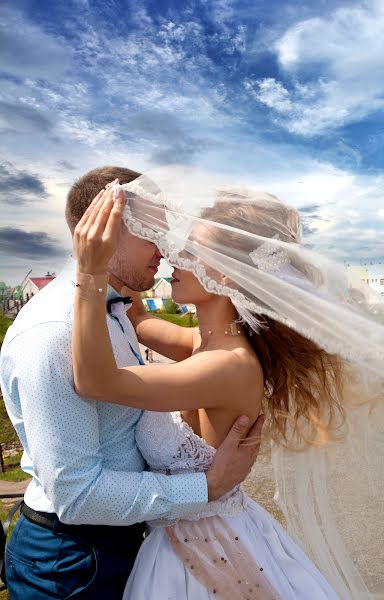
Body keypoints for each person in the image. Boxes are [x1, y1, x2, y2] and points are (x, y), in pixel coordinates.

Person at [0, 166, 263, 600]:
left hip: (120, 541)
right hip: (73, 558)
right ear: (105, 229)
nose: (166, 249)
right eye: (151, 231)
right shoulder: (55, 331)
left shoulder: (116, 309)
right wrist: (206, 487)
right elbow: (77, 495)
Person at [71, 184, 345, 599]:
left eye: (192, 252)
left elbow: (95, 380)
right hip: (196, 533)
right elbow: (140, 320)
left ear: (226, 273)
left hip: (206, 549)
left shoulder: (226, 365)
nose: (173, 257)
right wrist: (127, 246)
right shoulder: (207, 343)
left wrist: (89, 273)